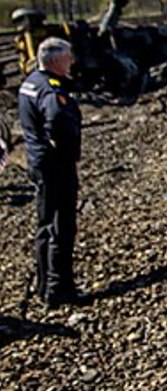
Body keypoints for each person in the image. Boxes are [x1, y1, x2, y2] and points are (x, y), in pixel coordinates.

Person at [18, 37, 83, 307]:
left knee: (45, 225)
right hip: (55, 165)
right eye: (68, 57)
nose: (72, 62)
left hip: (38, 162)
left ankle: (45, 284)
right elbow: (56, 119)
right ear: (55, 60)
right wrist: (63, 145)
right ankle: (59, 288)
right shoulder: (50, 89)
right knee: (60, 225)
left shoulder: (30, 82)